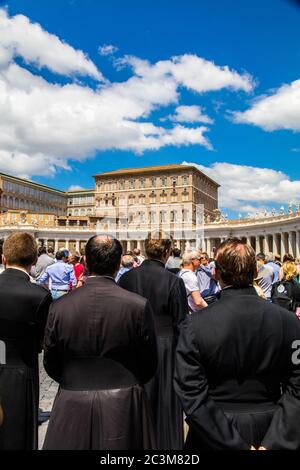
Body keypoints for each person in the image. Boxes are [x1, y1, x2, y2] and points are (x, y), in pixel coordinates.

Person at [174, 238, 300, 450]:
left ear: (216, 274)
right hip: (273, 427)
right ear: (254, 273)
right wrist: (275, 440)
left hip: (214, 434)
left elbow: (191, 393)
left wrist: (235, 445)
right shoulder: (288, 322)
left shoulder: (193, 325)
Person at [43, 235, 158, 450]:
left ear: (85, 261)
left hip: (72, 399)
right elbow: (149, 362)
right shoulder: (138, 306)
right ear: (117, 264)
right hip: (124, 400)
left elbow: (51, 361)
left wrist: (73, 378)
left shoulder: (59, 307)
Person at [119, 232, 189, 450]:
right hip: (165, 346)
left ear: (145, 249)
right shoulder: (174, 281)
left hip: (133, 344)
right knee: (165, 403)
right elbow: (181, 323)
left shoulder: (126, 278)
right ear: (167, 252)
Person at [0, 232, 52, 450]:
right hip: (21, 371)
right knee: (17, 435)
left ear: (4, 257)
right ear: (34, 260)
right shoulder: (38, 295)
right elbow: (45, 340)